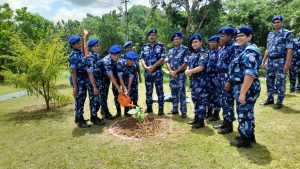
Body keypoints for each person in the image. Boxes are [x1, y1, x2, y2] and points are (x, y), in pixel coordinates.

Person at [228, 26, 262, 148]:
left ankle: (245, 140)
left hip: (246, 87)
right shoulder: (245, 49)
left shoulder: (249, 51)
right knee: (247, 112)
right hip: (243, 86)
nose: (238, 38)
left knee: (244, 112)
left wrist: (242, 94)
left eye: (242, 35)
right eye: (237, 36)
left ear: (249, 36)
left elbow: (250, 74)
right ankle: (248, 134)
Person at [261, 15, 294, 109]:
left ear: (282, 23)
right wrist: (264, 60)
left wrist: (287, 63)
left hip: (281, 60)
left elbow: (290, 49)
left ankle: (279, 101)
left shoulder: (288, 34)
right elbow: (267, 49)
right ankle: (270, 98)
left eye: (278, 22)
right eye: (274, 23)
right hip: (270, 60)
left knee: (280, 81)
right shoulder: (270, 34)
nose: (276, 24)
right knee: (269, 80)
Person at [215, 26, 237, 134]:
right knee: (223, 101)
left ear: (230, 36)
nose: (221, 38)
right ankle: (225, 122)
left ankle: (229, 126)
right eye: (220, 36)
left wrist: (229, 81)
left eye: (223, 36)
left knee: (228, 102)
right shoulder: (223, 47)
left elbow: (233, 66)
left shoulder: (234, 47)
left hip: (227, 77)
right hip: (220, 76)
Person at [140, 28, 166, 115]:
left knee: (160, 91)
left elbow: (162, 58)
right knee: (148, 91)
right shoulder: (144, 46)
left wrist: (153, 66)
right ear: (148, 36)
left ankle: (161, 109)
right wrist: (146, 67)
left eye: (153, 35)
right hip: (147, 73)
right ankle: (149, 108)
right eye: (150, 35)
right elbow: (142, 58)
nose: (152, 36)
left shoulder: (161, 46)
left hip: (157, 72)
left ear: (156, 36)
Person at [185, 34, 208, 129]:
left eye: (196, 42)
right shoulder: (193, 53)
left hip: (200, 81)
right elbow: (189, 65)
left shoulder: (202, 53)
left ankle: (201, 121)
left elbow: (201, 67)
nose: (194, 44)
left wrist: (189, 71)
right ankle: (196, 118)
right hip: (193, 81)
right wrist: (188, 70)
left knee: (201, 101)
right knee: (195, 100)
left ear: (200, 42)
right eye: (193, 42)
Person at [83, 30, 105, 125]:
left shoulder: (96, 56)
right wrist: (94, 86)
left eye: (97, 45)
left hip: (97, 82)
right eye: (95, 46)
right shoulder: (90, 58)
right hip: (93, 83)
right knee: (94, 101)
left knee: (96, 100)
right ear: (91, 48)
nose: (97, 47)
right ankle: (94, 118)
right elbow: (90, 73)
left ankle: (94, 116)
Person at [68, 35, 90, 128]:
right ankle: (80, 120)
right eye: (77, 43)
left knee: (82, 98)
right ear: (73, 45)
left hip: (82, 79)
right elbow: (73, 71)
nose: (80, 44)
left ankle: (78, 117)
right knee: (79, 99)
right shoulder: (73, 55)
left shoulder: (79, 52)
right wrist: (75, 87)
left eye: (80, 42)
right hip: (78, 80)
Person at [97, 45, 124, 119]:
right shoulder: (106, 61)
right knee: (103, 96)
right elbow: (111, 77)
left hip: (108, 77)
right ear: (111, 54)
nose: (117, 58)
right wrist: (119, 88)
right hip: (101, 79)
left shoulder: (117, 59)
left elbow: (118, 73)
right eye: (116, 56)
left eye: (118, 56)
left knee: (111, 93)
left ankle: (104, 110)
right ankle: (106, 113)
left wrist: (122, 87)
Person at [166, 32, 189, 118]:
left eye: (177, 39)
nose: (176, 40)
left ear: (181, 40)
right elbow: (167, 61)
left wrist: (176, 71)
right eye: (174, 39)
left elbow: (186, 63)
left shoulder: (185, 49)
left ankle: (183, 112)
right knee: (173, 92)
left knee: (181, 93)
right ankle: (175, 109)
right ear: (173, 41)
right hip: (172, 75)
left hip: (181, 75)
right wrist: (171, 71)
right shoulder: (170, 50)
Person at [205, 35, 221, 121]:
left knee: (216, 96)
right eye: (210, 42)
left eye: (214, 42)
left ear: (218, 43)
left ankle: (216, 114)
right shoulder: (207, 53)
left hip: (216, 77)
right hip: (207, 77)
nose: (211, 43)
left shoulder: (220, 53)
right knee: (209, 96)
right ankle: (209, 112)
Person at [117, 51, 138, 116]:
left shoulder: (134, 66)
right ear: (126, 59)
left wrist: (128, 89)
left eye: (133, 60)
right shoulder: (120, 64)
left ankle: (135, 111)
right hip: (122, 80)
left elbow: (131, 78)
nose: (132, 62)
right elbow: (120, 77)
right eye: (130, 60)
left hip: (132, 81)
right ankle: (126, 112)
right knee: (125, 96)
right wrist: (124, 89)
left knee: (134, 96)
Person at [122, 41, 141, 107]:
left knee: (135, 93)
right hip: (126, 80)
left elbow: (137, 66)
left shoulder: (135, 55)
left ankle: (135, 107)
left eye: (130, 47)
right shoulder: (122, 57)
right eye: (128, 48)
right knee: (127, 94)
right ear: (125, 49)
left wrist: (140, 77)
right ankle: (128, 108)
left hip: (134, 78)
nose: (129, 49)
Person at [289, 29, 300, 93]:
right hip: (294, 60)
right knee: (292, 74)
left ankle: (298, 88)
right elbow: (290, 49)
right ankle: (292, 88)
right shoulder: (294, 40)